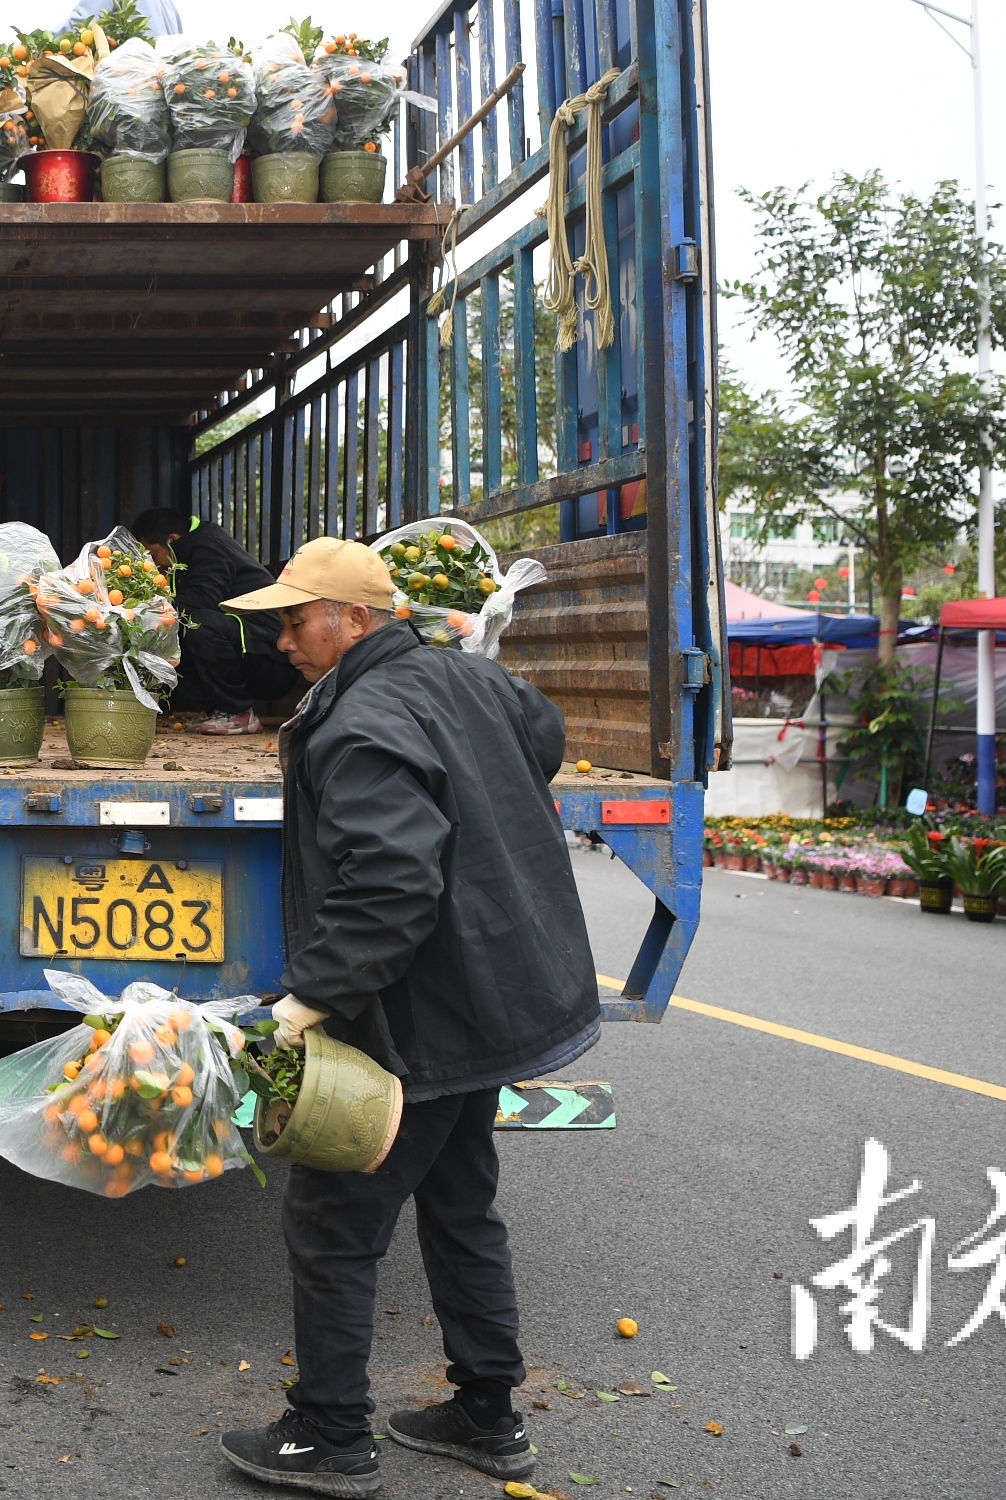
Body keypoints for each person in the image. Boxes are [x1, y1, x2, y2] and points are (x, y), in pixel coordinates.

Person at [210, 537, 599, 1497]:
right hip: (496, 990)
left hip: (424, 1008)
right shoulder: (469, 682)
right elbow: (540, 735)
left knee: (335, 1215)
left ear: (356, 618)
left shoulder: (362, 721)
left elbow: (388, 887)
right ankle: (486, 1413)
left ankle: (332, 1433)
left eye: (297, 621)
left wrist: (310, 1001)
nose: (284, 642)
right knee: (462, 1201)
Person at [125, 506, 299, 734]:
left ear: (172, 539)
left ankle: (238, 712)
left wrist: (149, 608)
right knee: (174, 630)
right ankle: (220, 711)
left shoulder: (208, 545)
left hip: (272, 658)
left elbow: (204, 599)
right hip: (246, 648)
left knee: (196, 623)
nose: (154, 563)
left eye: (153, 554)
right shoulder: (186, 552)